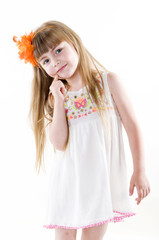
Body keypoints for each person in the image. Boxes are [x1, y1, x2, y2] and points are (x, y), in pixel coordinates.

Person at [13, 20, 150, 240]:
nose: (55, 61)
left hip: (99, 183)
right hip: (68, 183)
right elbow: (59, 143)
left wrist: (140, 170)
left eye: (58, 50)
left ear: (75, 43)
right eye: (46, 60)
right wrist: (58, 101)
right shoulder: (57, 97)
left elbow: (133, 126)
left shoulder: (108, 82)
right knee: (64, 235)